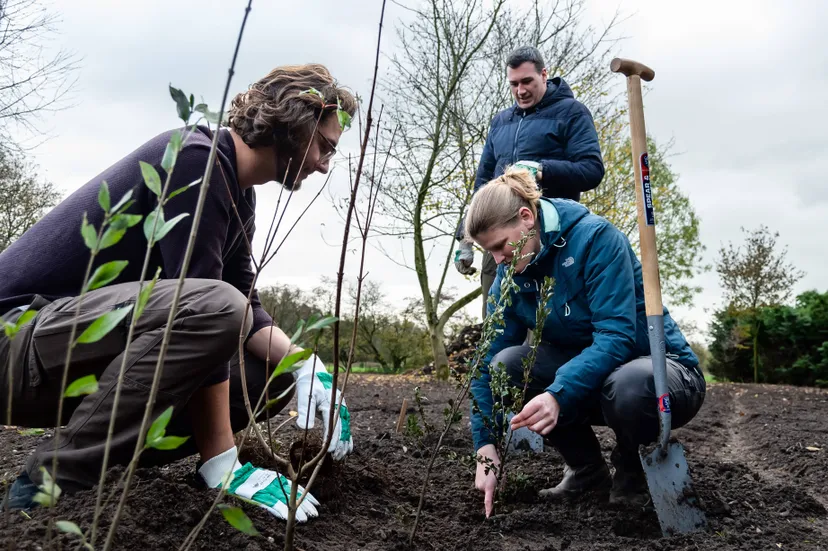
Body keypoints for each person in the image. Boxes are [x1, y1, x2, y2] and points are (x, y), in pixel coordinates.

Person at [0, 64, 355, 522]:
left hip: (67, 357)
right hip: (17, 342)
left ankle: (108, 461)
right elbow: (212, 311)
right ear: (295, 123)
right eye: (325, 146)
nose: (324, 164)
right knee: (215, 307)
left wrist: (308, 366)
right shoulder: (196, 159)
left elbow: (245, 303)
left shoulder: (239, 193)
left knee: (273, 375)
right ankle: (50, 481)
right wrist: (224, 461)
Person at [464, 167, 706, 517]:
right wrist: (484, 445)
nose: (499, 260)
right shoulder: (510, 277)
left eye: (501, 246)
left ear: (526, 217)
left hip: (662, 374)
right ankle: (586, 471)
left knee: (630, 384)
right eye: (491, 253)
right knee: (508, 366)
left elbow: (616, 336)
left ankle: (631, 471)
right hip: (595, 379)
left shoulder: (597, 240)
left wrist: (558, 392)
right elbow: (487, 361)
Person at [454, 46, 605, 319]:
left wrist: (542, 170)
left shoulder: (572, 113)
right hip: (499, 235)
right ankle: (497, 362)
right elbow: (483, 184)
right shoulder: (500, 122)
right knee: (497, 318)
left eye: (527, 82)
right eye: (514, 84)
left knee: (550, 319)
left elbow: (592, 170)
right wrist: (465, 236)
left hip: (553, 237)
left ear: (544, 74)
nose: (520, 90)